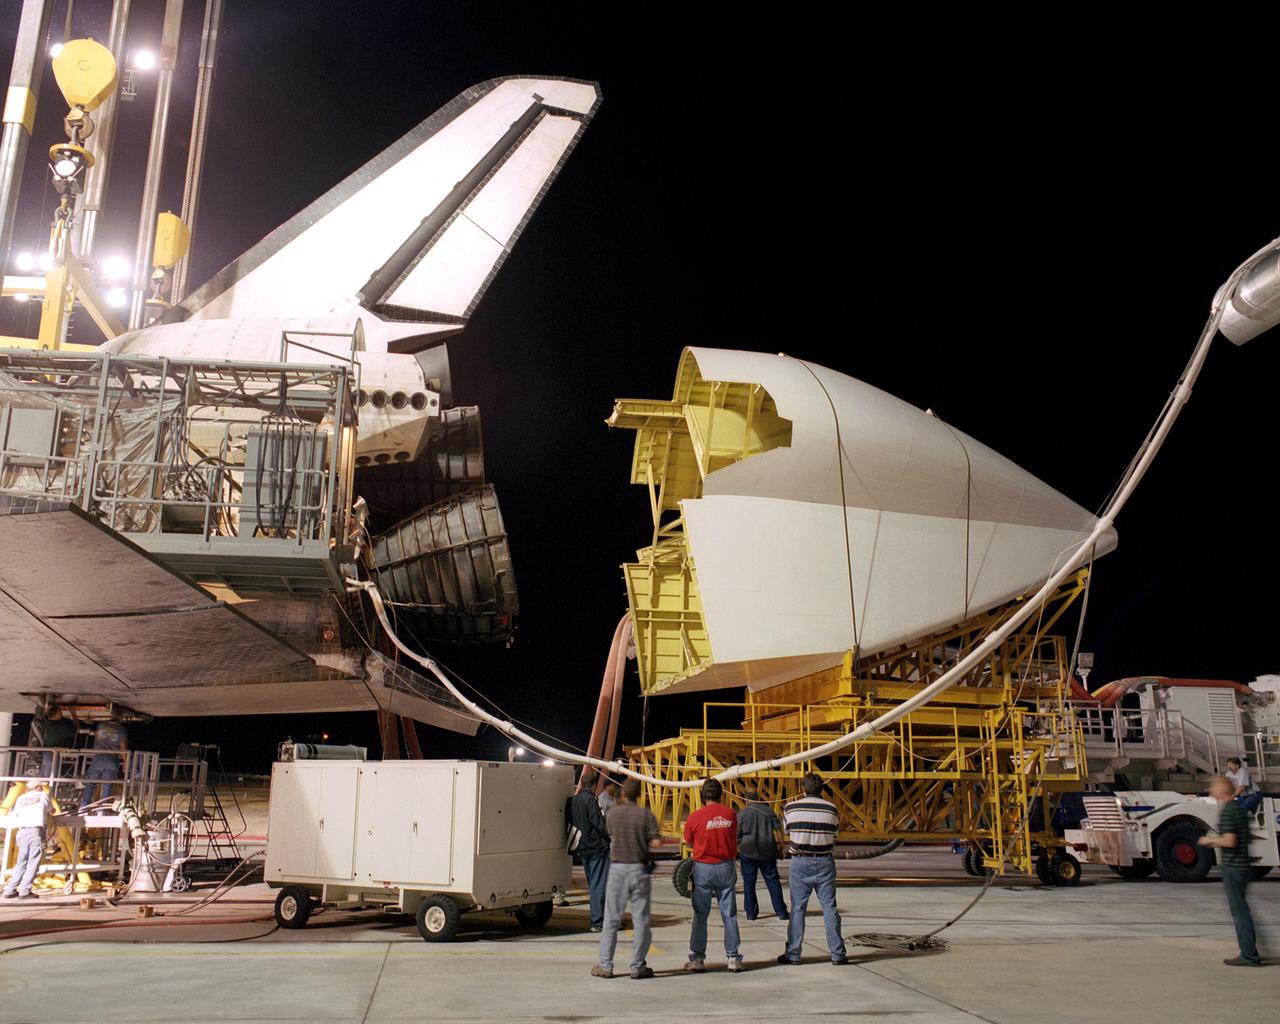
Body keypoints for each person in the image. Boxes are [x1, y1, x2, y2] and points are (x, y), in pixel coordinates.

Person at [778, 772, 847, 966]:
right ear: (822, 789)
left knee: (798, 908)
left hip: (800, 862)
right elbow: (835, 835)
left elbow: (787, 831)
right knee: (829, 907)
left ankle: (793, 954)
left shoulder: (791, 808)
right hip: (824, 862)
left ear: (803, 788)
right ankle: (837, 954)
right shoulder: (832, 809)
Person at [594, 778, 659, 979]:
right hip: (639, 869)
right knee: (641, 921)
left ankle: (605, 965)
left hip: (617, 869)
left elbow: (611, 834)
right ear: (638, 795)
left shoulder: (613, 813)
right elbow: (656, 843)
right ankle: (637, 966)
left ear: (622, 794)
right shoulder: (646, 815)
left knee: (611, 920)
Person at [1198, 774, 1263, 966]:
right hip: (1242, 865)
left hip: (1233, 867)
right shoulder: (1239, 809)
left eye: (1213, 787)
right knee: (1242, 910)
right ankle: (1250, 951)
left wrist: (1209, 840)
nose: (1211, 791)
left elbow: (1229, 841)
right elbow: (1247, 837)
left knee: (1240, 912)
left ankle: (1249, 955)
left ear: (1221, 790)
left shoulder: (1228, 812)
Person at [682, 778, 743, 972]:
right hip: (725, 866)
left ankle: (697, 958)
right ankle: (733, 957)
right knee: (729, 914)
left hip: (703, 868)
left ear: (703, 796)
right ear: (720, 795)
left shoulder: (695, 817)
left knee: (701, 915)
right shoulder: (731, 814)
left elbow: (689, 842)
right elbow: (734, 838)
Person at [568, 769, 611, 932]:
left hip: (582, 847)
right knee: (598, 885)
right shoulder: (592, 800)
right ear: (593, 785)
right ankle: (597, 922)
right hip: (596, 847)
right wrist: (608, 837)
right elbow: (598, 822)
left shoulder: (573, 800)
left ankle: (597, 919)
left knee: (593, 883)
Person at [737, 786, 789, 921]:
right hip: (768, 850)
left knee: (749, 883)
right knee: (773, 881)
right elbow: (778, 831)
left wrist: (737, 848)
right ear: (758, 798)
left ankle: (751, 913)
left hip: (748, 851)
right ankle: (781, 911)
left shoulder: (742, 814)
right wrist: (781, 848)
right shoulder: (768, 811)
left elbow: (736, 835)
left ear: (745, 799)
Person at [2, 777, 51, 900]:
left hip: (22, 831)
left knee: (21, 862)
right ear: (37, 787)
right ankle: (25, 890)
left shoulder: (20, 798)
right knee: (33, 861)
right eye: (41, 786)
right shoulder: (43, 796)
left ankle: (10, 890)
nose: (42, 788)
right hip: (35, 830)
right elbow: (52, 810)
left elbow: (15, 815)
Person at [80, 711, 129, 812]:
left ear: (111, 715)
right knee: (108, 786)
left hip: (98, 758)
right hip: (112, 760)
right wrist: (126, 763)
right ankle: (102, 811)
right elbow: (123, 748)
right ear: (121, 718)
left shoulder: (101, 725)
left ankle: (84, 808)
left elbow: (97, 739)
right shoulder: (120, 729)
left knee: (90, 783)